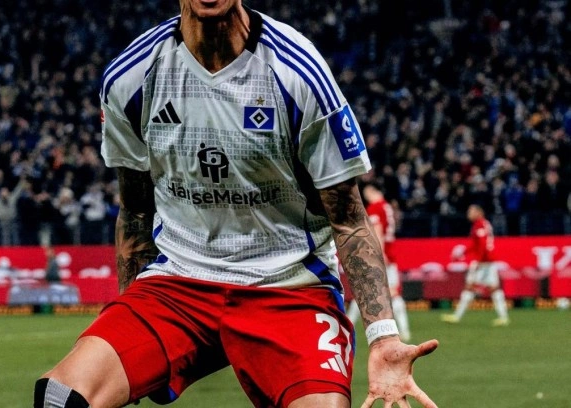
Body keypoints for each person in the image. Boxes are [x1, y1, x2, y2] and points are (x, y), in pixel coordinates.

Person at [35, 1, 439, 407]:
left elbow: (349, 221)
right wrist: (128, 313)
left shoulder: (298, 73)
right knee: (60, 397)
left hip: (289, 286)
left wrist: (383, 337)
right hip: (178, 283)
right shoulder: (131, 78)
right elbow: (137, 210)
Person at [347, 184, 411, 342]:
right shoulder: (387, 207)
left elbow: (377, 230)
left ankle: (347, 328)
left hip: (378, 255)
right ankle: (405, 330)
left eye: (366, 193)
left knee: (363, 290)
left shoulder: (375, 207)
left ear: (372, 191)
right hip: (390, 254)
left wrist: (379, 253)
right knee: (393, 293)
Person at [442, 204, 509, 326]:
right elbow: (476, 245)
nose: (468, 214)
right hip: (489, 260)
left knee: (470, 286)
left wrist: (478, 260)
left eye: (471, 211)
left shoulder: (479, 225)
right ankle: (503, 317)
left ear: (478, 213)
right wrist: (463, 252)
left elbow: (482, 244)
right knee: (494, 288)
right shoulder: (484, 224)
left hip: (483, 261)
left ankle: (457, 316)